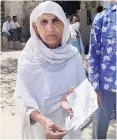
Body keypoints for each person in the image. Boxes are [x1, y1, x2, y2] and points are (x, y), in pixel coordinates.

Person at [15, 1, 86, 139]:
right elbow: (22, 100)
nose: (50, 27)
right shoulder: (27, 59)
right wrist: (44, 120)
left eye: (55, 20)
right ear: (35, 27)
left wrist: (73, 100)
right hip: (39, 130)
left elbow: (83, 95)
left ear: (64, 24)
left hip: (67, 130)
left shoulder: (73, 56)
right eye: (44, 22)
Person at [88, 3, 116, 139]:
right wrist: (95, 87)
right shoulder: (102, 18)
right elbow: (94, 53)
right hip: (104, 88)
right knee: (99, 131)